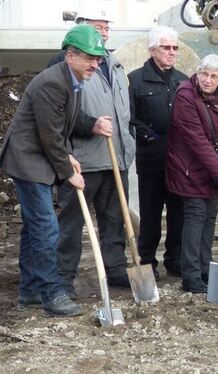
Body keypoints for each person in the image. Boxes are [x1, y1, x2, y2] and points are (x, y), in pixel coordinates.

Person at [0, 24, 106, 316]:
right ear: (70, 55)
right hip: (28, 160)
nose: (96, 64)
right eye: (90, 58)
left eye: (98, 58)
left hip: (42, 157)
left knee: (36, 226)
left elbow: (61, 128)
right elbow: (48, 134)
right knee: (47, 227)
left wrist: (68, 155)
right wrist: (67, 171)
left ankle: (30, 290)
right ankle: (51, 294)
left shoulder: (73, 81)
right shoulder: (52, 83)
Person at [49, 3, 135, 295]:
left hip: (116, 157)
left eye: (107, 28)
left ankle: (116, 269)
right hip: (83, 160)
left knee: (115, 220)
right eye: (98, 27)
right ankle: (62, 278)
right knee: (72, 223)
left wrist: (129, 138)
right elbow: (59, 114)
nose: (104, 34)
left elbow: (125, 110)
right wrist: (91, 125)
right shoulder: (62, 64)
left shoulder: (114, 63)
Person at [166, 54, 218, 293]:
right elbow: (196, 140)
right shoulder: (185, 96)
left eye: (214, 77)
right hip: (188, 167)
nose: (208, 80)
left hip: (210, 167)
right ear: (197, 73)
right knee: (195, 218)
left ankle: (204, 269)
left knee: (210, 218)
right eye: (204, 74)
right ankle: (190, 276)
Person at [128, 25, 188, 280]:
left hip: (179, 162)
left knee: (178, 213)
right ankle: (147, 261)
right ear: (153, 50)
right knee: (150, 214)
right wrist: (153, 138)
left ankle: (174, 260)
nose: (172, 52)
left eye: (175, 47)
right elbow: (130, 119)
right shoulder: (135, 79)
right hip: (151, 160)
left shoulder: (183, 81)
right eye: (166, 47)